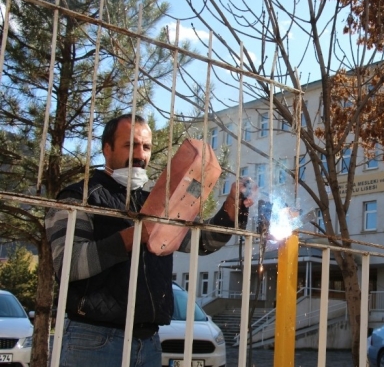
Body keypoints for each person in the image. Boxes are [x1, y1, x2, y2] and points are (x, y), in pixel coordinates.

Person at [45, 114, 255, 367]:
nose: (140, 154)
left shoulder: (154, 201)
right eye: (130, 145)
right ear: (107, 149)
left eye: (146, 147)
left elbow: (200, 243)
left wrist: (231, 208)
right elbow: (69, 264)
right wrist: (137, 234)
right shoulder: (79, 197)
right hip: (94, 340)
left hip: (149, 342)